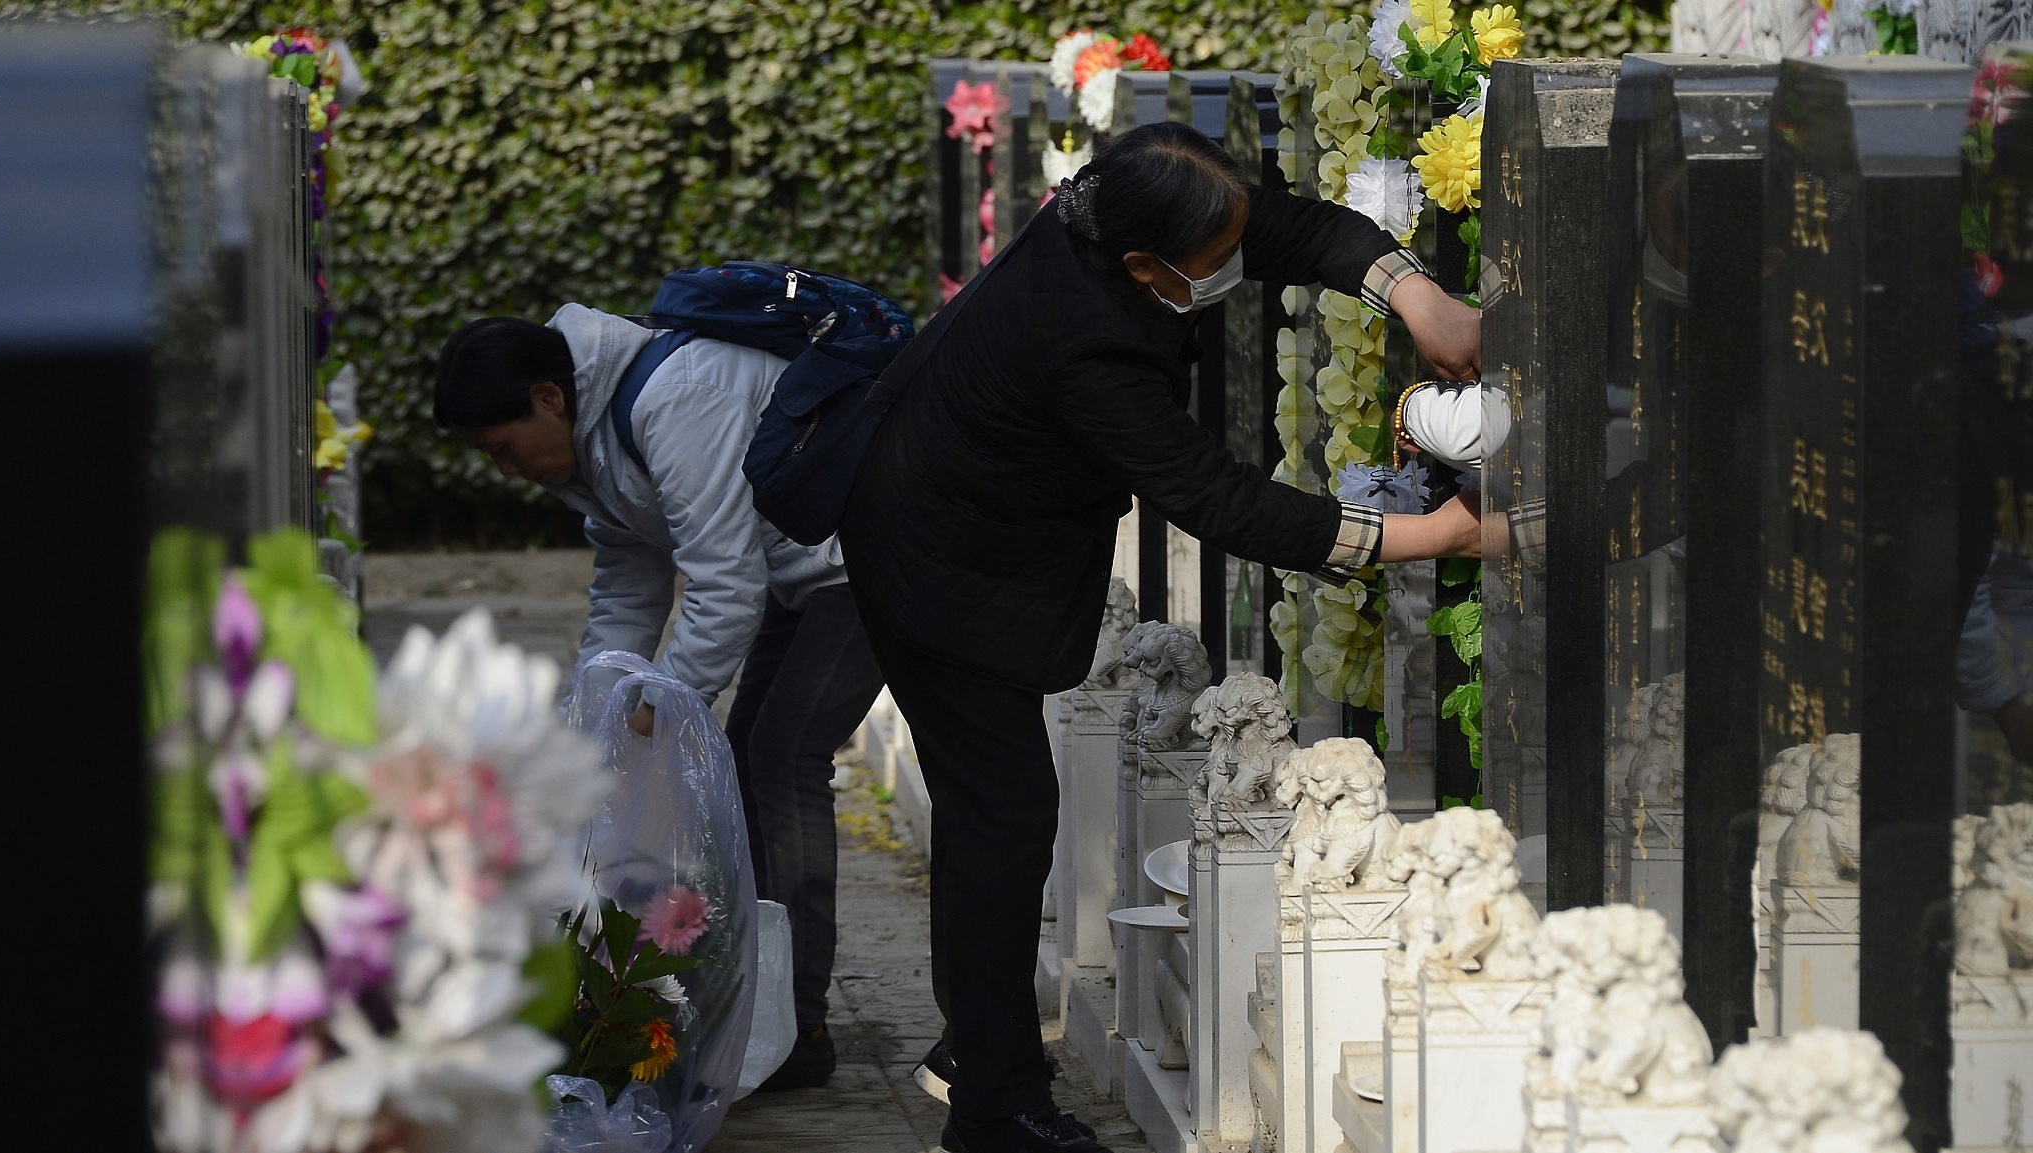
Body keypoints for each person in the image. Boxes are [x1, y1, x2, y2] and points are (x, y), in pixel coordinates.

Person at [838, 122, 1483, 1153]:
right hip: (943, 572)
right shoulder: (1080, 342)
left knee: (986, 816)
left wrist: (1418, 295)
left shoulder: (1139, 203)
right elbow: (1214, 500)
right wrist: (1434, 534)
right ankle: (995, 1109)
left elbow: (1288, 229)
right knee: (1003, 819)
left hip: (950, 531)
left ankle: (976, 1042)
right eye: (1208, 256)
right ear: (1143, 266)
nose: (1233, 258)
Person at [433, 308, 883, 1090]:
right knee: (749, 764)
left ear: (548, 396)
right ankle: (762, 1006)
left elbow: (722, 583)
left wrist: (657, 709)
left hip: (874, 554)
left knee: (781, 762)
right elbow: (626, 594)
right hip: (799, 572)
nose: (506, 469)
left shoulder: (676, 396)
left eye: (503, 449)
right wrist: (592, 728)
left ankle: (801, 1024)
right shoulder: (596, 444)